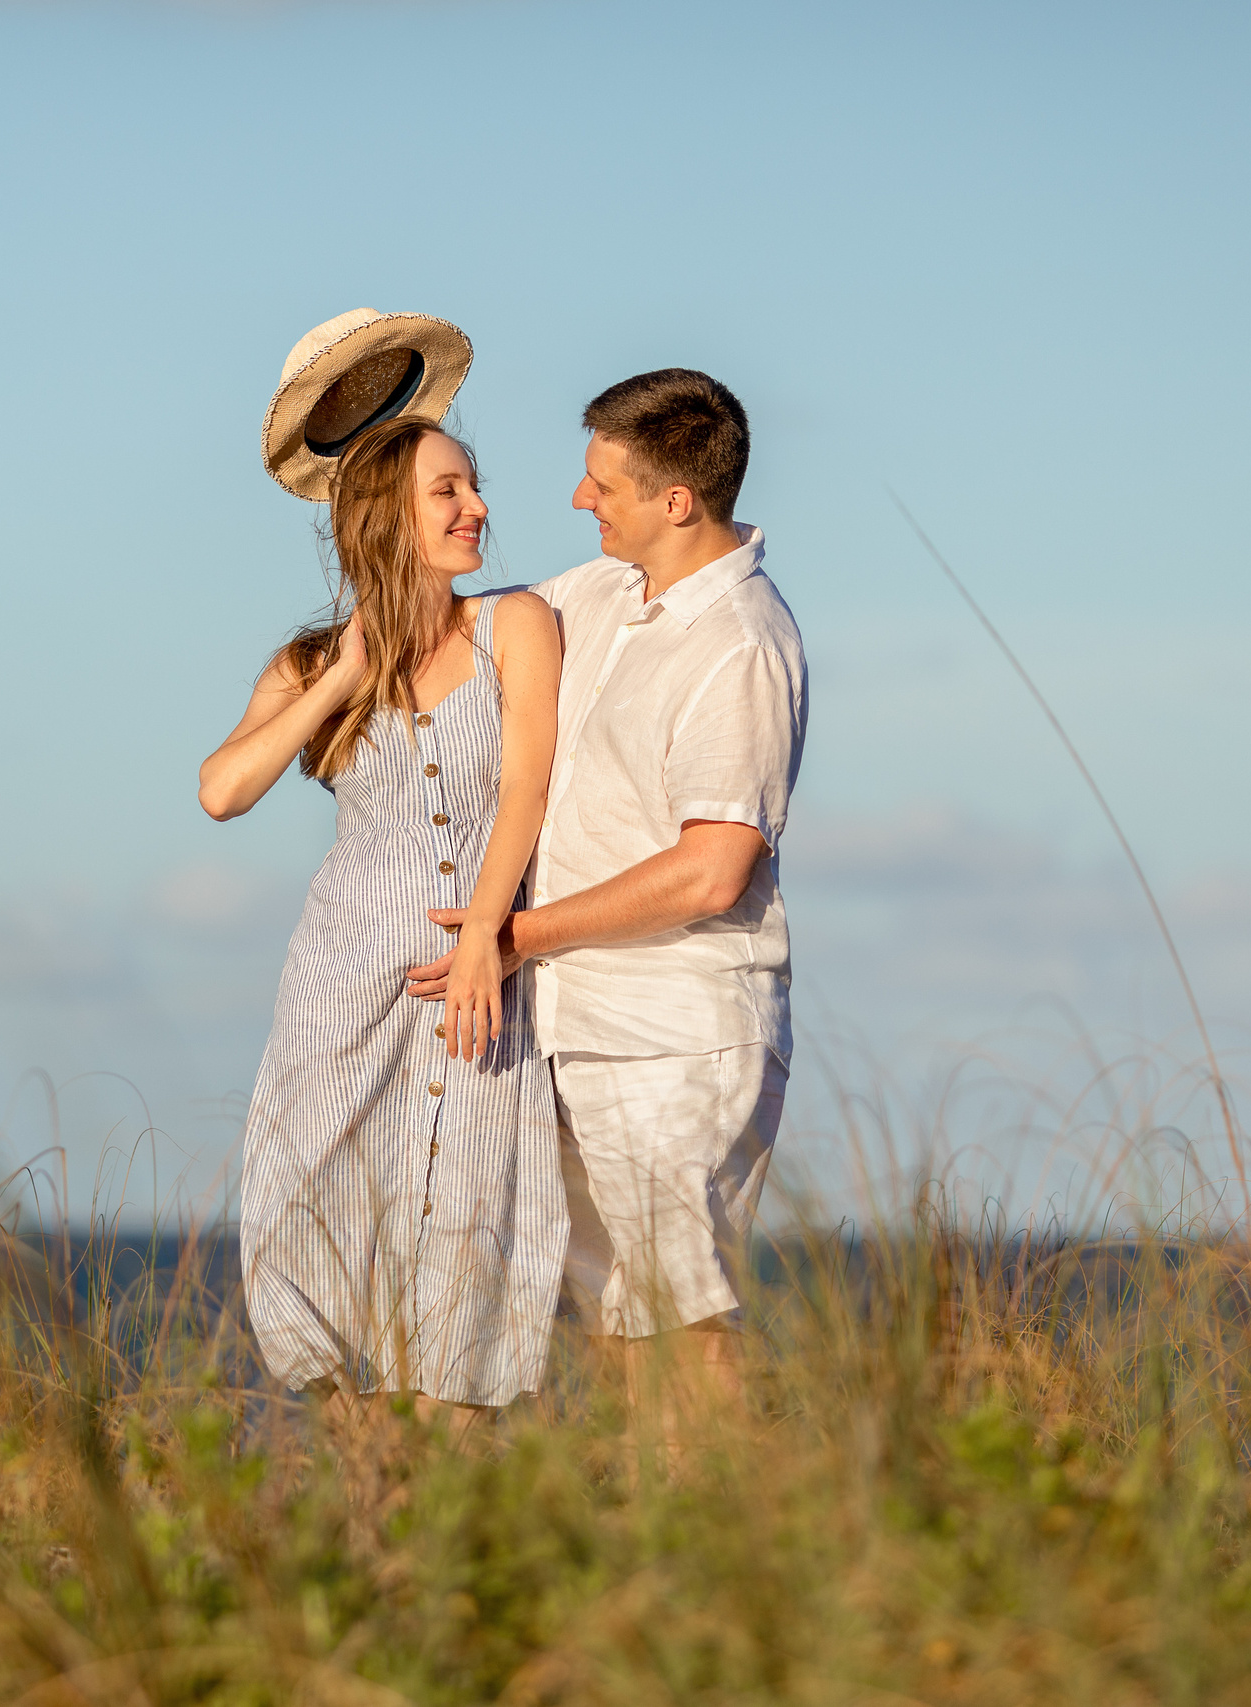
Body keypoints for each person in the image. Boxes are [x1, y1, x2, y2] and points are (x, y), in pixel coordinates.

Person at [410, 367, 806, 1441]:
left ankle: (720, 1571)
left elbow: (711, 869)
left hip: (677, 1032)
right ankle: (657, 1559)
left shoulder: (740, 644)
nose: (581, 501)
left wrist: (513, 933)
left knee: (683, 1325)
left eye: (602, 485)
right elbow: (447, 625)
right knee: (618, 1324)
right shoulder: (598, 596)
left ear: (676, 502)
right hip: (572, 1026)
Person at [202, 309, 566, 1413]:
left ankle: (449, 1507)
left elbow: (526, 794)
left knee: (465, 1240)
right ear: (384, 519)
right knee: (303, 1234)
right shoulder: (310, 661)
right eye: (446, 492)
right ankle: (365, 1475)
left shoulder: (519, 627)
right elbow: (221, 792)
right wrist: (338, 675)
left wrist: (484, 947)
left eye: (472, 485)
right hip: (339, 988)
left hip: (476, 995)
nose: (477, 508)